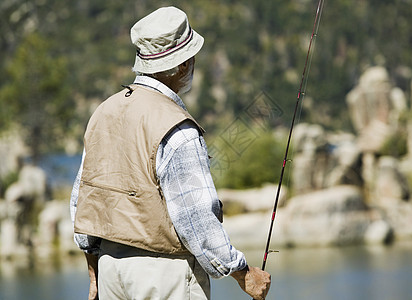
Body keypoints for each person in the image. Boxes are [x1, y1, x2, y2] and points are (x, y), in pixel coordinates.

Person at [70, 6, 271, 300]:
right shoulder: (177, 128)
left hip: (110, 269)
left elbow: (83, 202)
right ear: (182, 65)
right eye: (191, 56)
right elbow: (196, 218)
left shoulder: (103, 112)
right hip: (164, 276)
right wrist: (243, 273)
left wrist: (95, 272)